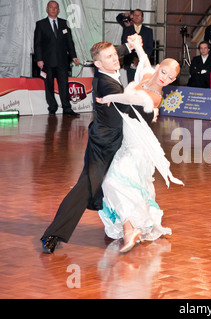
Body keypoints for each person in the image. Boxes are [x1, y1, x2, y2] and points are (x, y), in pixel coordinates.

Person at [40, 35, 148, 254]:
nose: (115, 59)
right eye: (109, 57)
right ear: (98, 64)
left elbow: (114, 51)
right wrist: (150, 95)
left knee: (126, 182)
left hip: (116, 138)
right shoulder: (106, 84)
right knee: (86, 187)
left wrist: (130, 45)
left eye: (115, 55)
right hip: (104, 145)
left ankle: (127, 227)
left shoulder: (108, 65)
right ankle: (53, 233)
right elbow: (129, 106)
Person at [96, 38, 183, 253]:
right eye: (164, 72)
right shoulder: (146, 74)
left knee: (114, 182)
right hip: (125, 139)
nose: (165, 79)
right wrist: (137, 45)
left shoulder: (155, 97)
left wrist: (108, 96)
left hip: (136, 144)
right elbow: (143, 59)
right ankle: (130, 229)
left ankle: (130, 229)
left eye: (171, 78)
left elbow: (129, 98)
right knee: (116, 184)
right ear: (159, 66)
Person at [33, 1, 80, 117]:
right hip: (47, 61)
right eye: (51, 7)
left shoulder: (65, 23)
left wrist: (73, 55)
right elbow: (37, 43)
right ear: (47, 9)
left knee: (64, 85)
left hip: (62, 61)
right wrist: (39, 59)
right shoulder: (40, 24)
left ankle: (67, 108)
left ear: (59, 10)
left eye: (56, 8)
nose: (53, 10)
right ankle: (52, 107)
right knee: (49, 85)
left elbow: (70, 41)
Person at [120, 9, 154, 83]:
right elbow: (124, 45)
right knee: (131, 83)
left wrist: (141, 59)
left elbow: (150, 47)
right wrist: (134, 59)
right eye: (135, 15)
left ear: (142, 18)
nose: (136, 17)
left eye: (139, 15)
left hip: (143, 62)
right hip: (130, 63)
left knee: (143, 83)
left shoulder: (149, 31)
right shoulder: (126, 30)